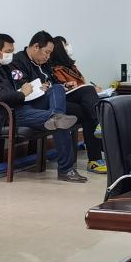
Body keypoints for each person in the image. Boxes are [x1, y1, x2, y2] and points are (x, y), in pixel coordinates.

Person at [0, 33, 85, 183]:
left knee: (57, 90)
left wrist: (34, 88)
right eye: (8, 51)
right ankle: (66, 170)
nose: (11, 55)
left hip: (18, 107)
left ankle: (56, 115)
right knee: (60, 121)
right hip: (2, 114)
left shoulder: (3, 66)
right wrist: (21, 93)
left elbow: (16, 85)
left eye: (12, 51)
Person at [48, 36, 106, 174]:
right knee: (88, 95)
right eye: (65, 44)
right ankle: (100, 125)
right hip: (62, 101)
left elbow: (82, 84)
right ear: (59, 49)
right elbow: (58, 87)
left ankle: (95, 160)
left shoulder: (72, 67)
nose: (69, 46)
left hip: (77, 102)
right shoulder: (54, 68)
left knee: (89, 111)